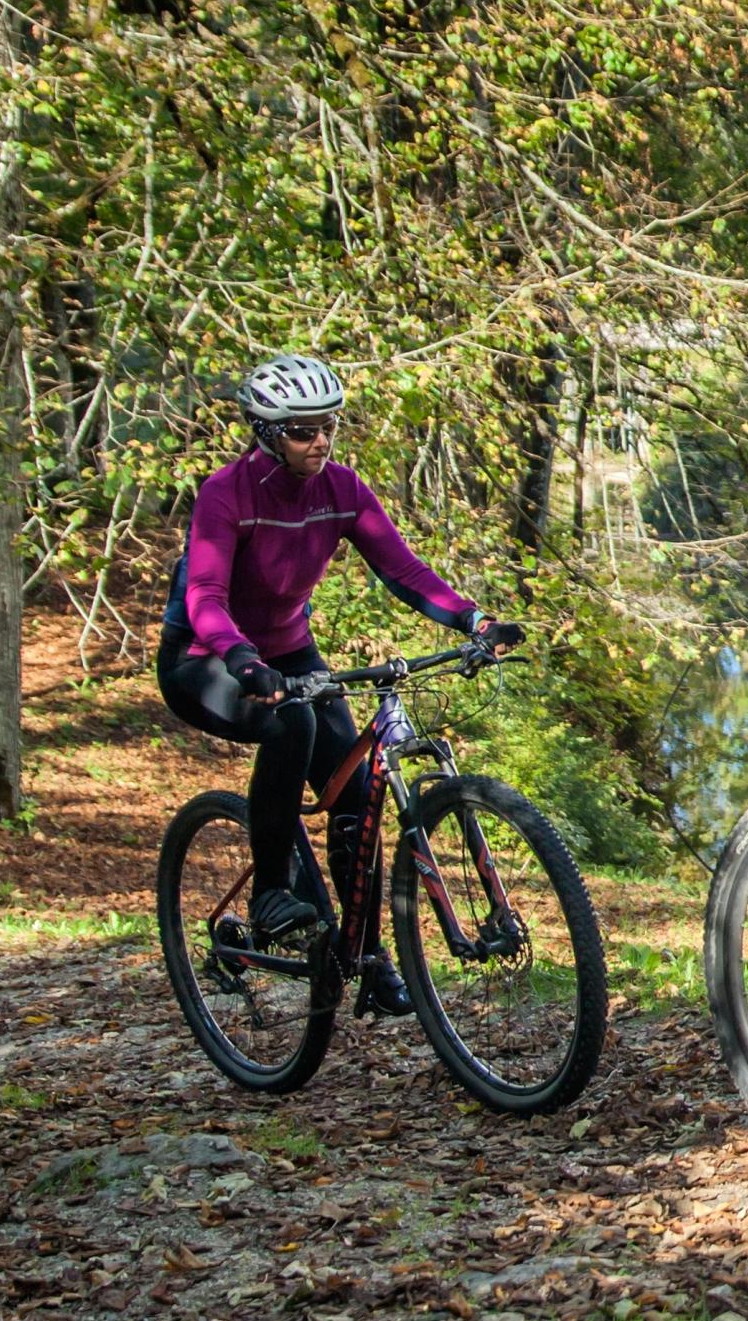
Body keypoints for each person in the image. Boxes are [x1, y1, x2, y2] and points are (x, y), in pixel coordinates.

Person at [156, 354, 514, 1015]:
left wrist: (474, 618)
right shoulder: (226, 493)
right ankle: (270, 892)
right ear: (265, 432)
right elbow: (205, 594)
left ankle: (370, 961)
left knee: (356, 798)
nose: (319, 440)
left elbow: (403, 571)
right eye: (301, 430)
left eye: (327, 426)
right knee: (290, 722)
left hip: (289, 651)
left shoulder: (342, 489)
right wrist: (242, 660)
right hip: (203, 656)